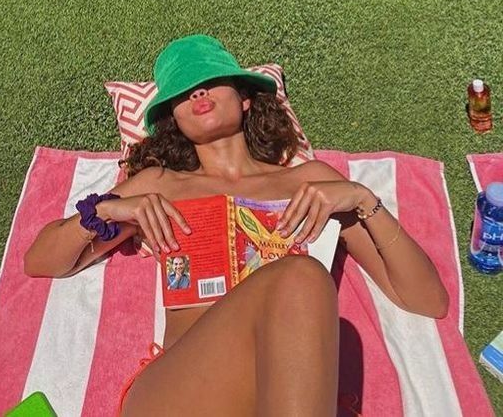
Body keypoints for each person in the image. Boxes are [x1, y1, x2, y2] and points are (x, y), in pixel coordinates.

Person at [24, 35, 449, 416]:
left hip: (279, 395)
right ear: (174, 118)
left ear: (245, 97)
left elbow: (427, 300)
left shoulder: (310, 182)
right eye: (183, 92)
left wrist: (364, 199)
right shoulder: (160, 185)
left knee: (300, 281)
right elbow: (40, 260)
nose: (199, 92)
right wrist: (104, 211)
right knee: (301, 276)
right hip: (180, 393)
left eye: (211, 80)